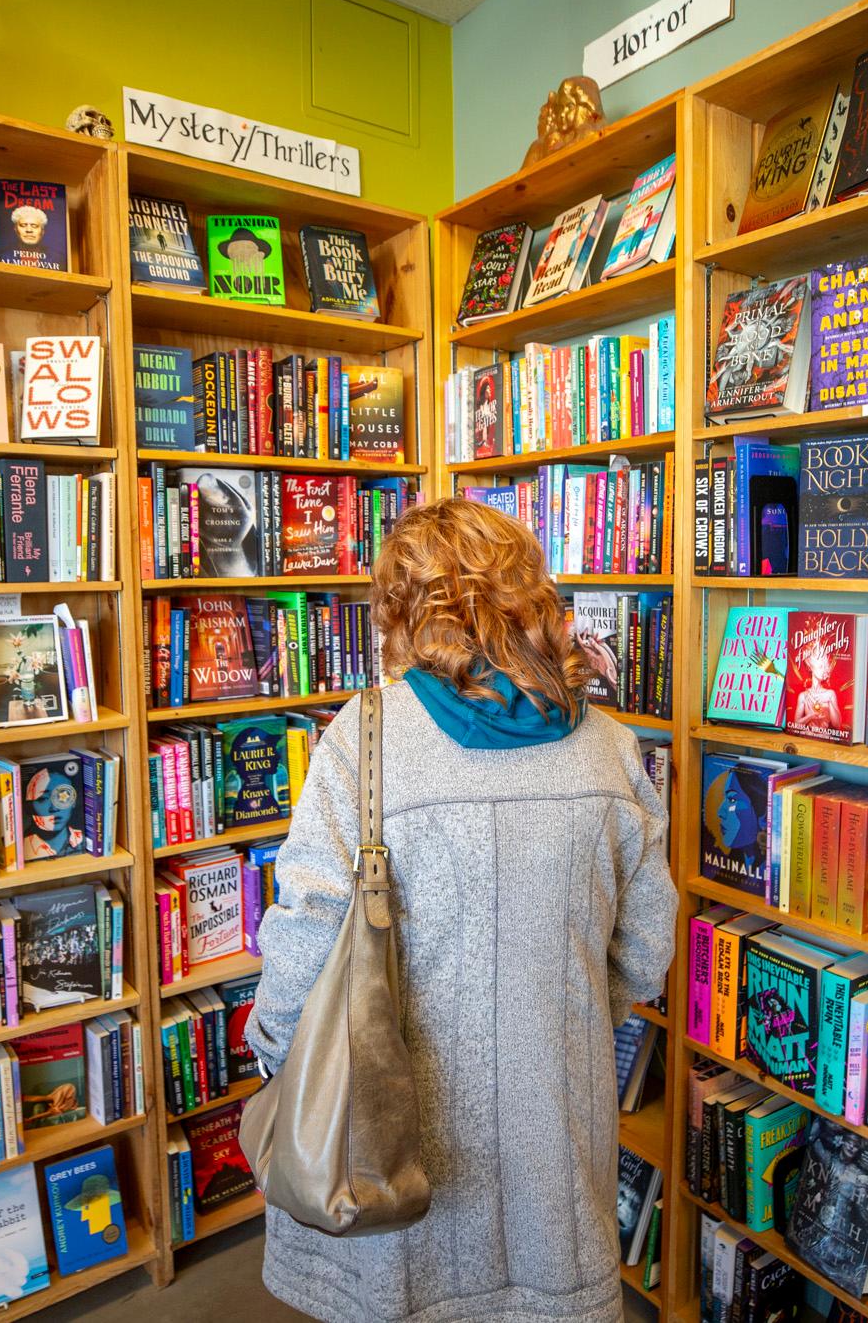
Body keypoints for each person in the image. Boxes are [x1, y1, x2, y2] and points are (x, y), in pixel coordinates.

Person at [249, 497, 675, 1323]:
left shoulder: (363, 738)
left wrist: (275, 1052)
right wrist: (565, 1016)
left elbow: (306, 931)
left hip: (392, 1127)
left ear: (404, 605)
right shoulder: (611, 747)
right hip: (558, 1127)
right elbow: (647, 945)